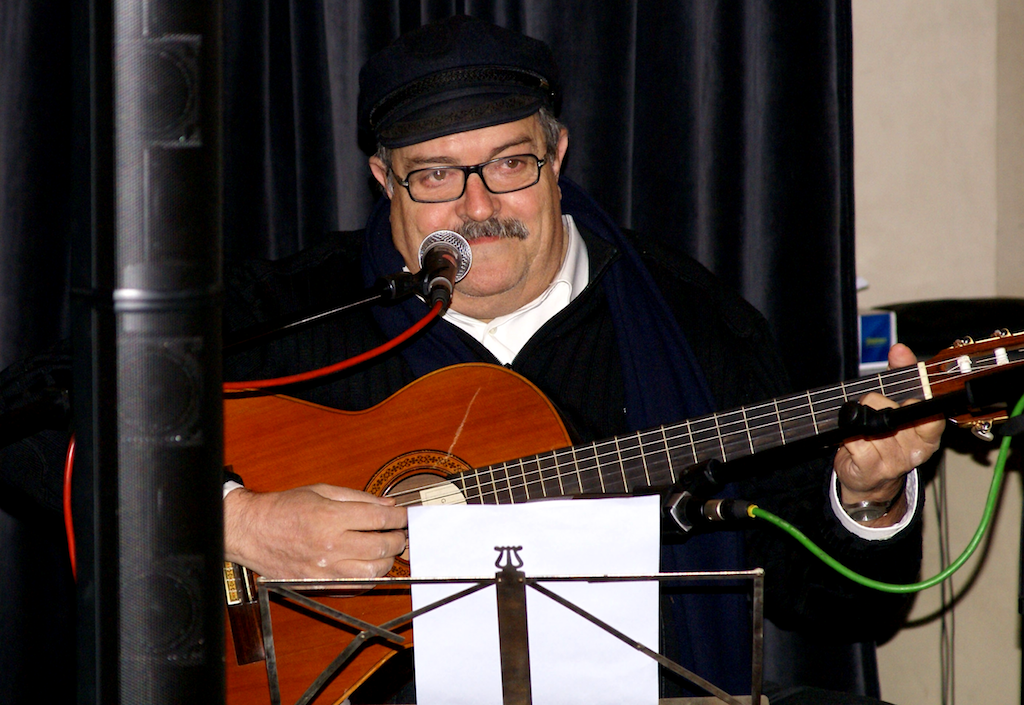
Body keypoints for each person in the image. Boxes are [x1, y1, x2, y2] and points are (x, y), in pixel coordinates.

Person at [216, 14, 943, 703]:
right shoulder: (290, 311)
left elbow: (832, 602)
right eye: (436, 175)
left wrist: (869, 497)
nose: (478, 208)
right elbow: (143, 414)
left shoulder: (693, 322)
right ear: (384, 179)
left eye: (511, 163)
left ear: (557, 155)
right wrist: (238, 522)